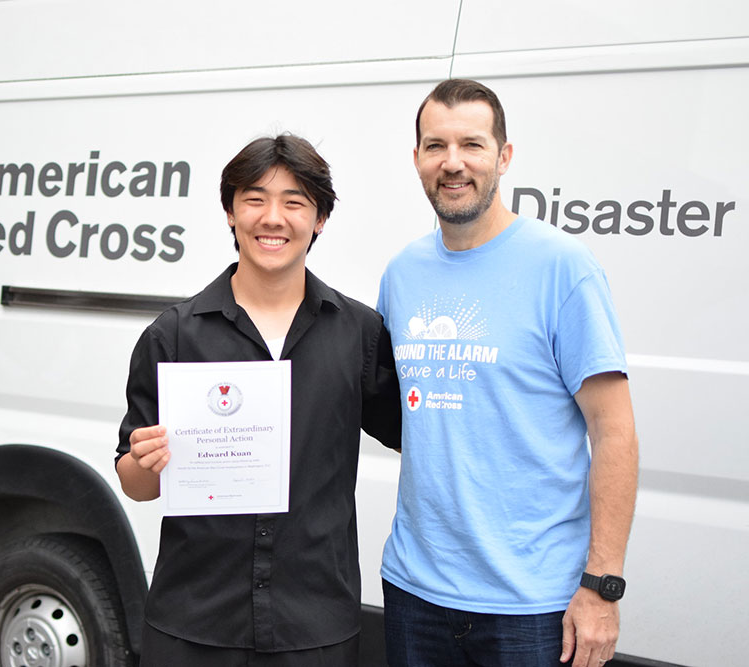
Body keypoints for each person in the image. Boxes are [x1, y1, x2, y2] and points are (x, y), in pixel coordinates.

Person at [378, 79, 639, 667]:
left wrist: (602, 588)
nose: (452, 163)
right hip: (415, 591)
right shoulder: (402, 273)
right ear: (416, 158)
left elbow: (614, 432)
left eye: (471, 144)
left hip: (534, 608)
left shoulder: (562, 267)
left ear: (504, 155)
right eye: (434, 146)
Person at [116, 133, 401, 667]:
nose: (274, 218)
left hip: (314, 626)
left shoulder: (359, 333)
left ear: (319, 220)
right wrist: (143, 460)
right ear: (229, 212)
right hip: (193, 625)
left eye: (294, 202)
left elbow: (421, 436)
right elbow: (136, 485)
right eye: (255, 199)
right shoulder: (173, 336)